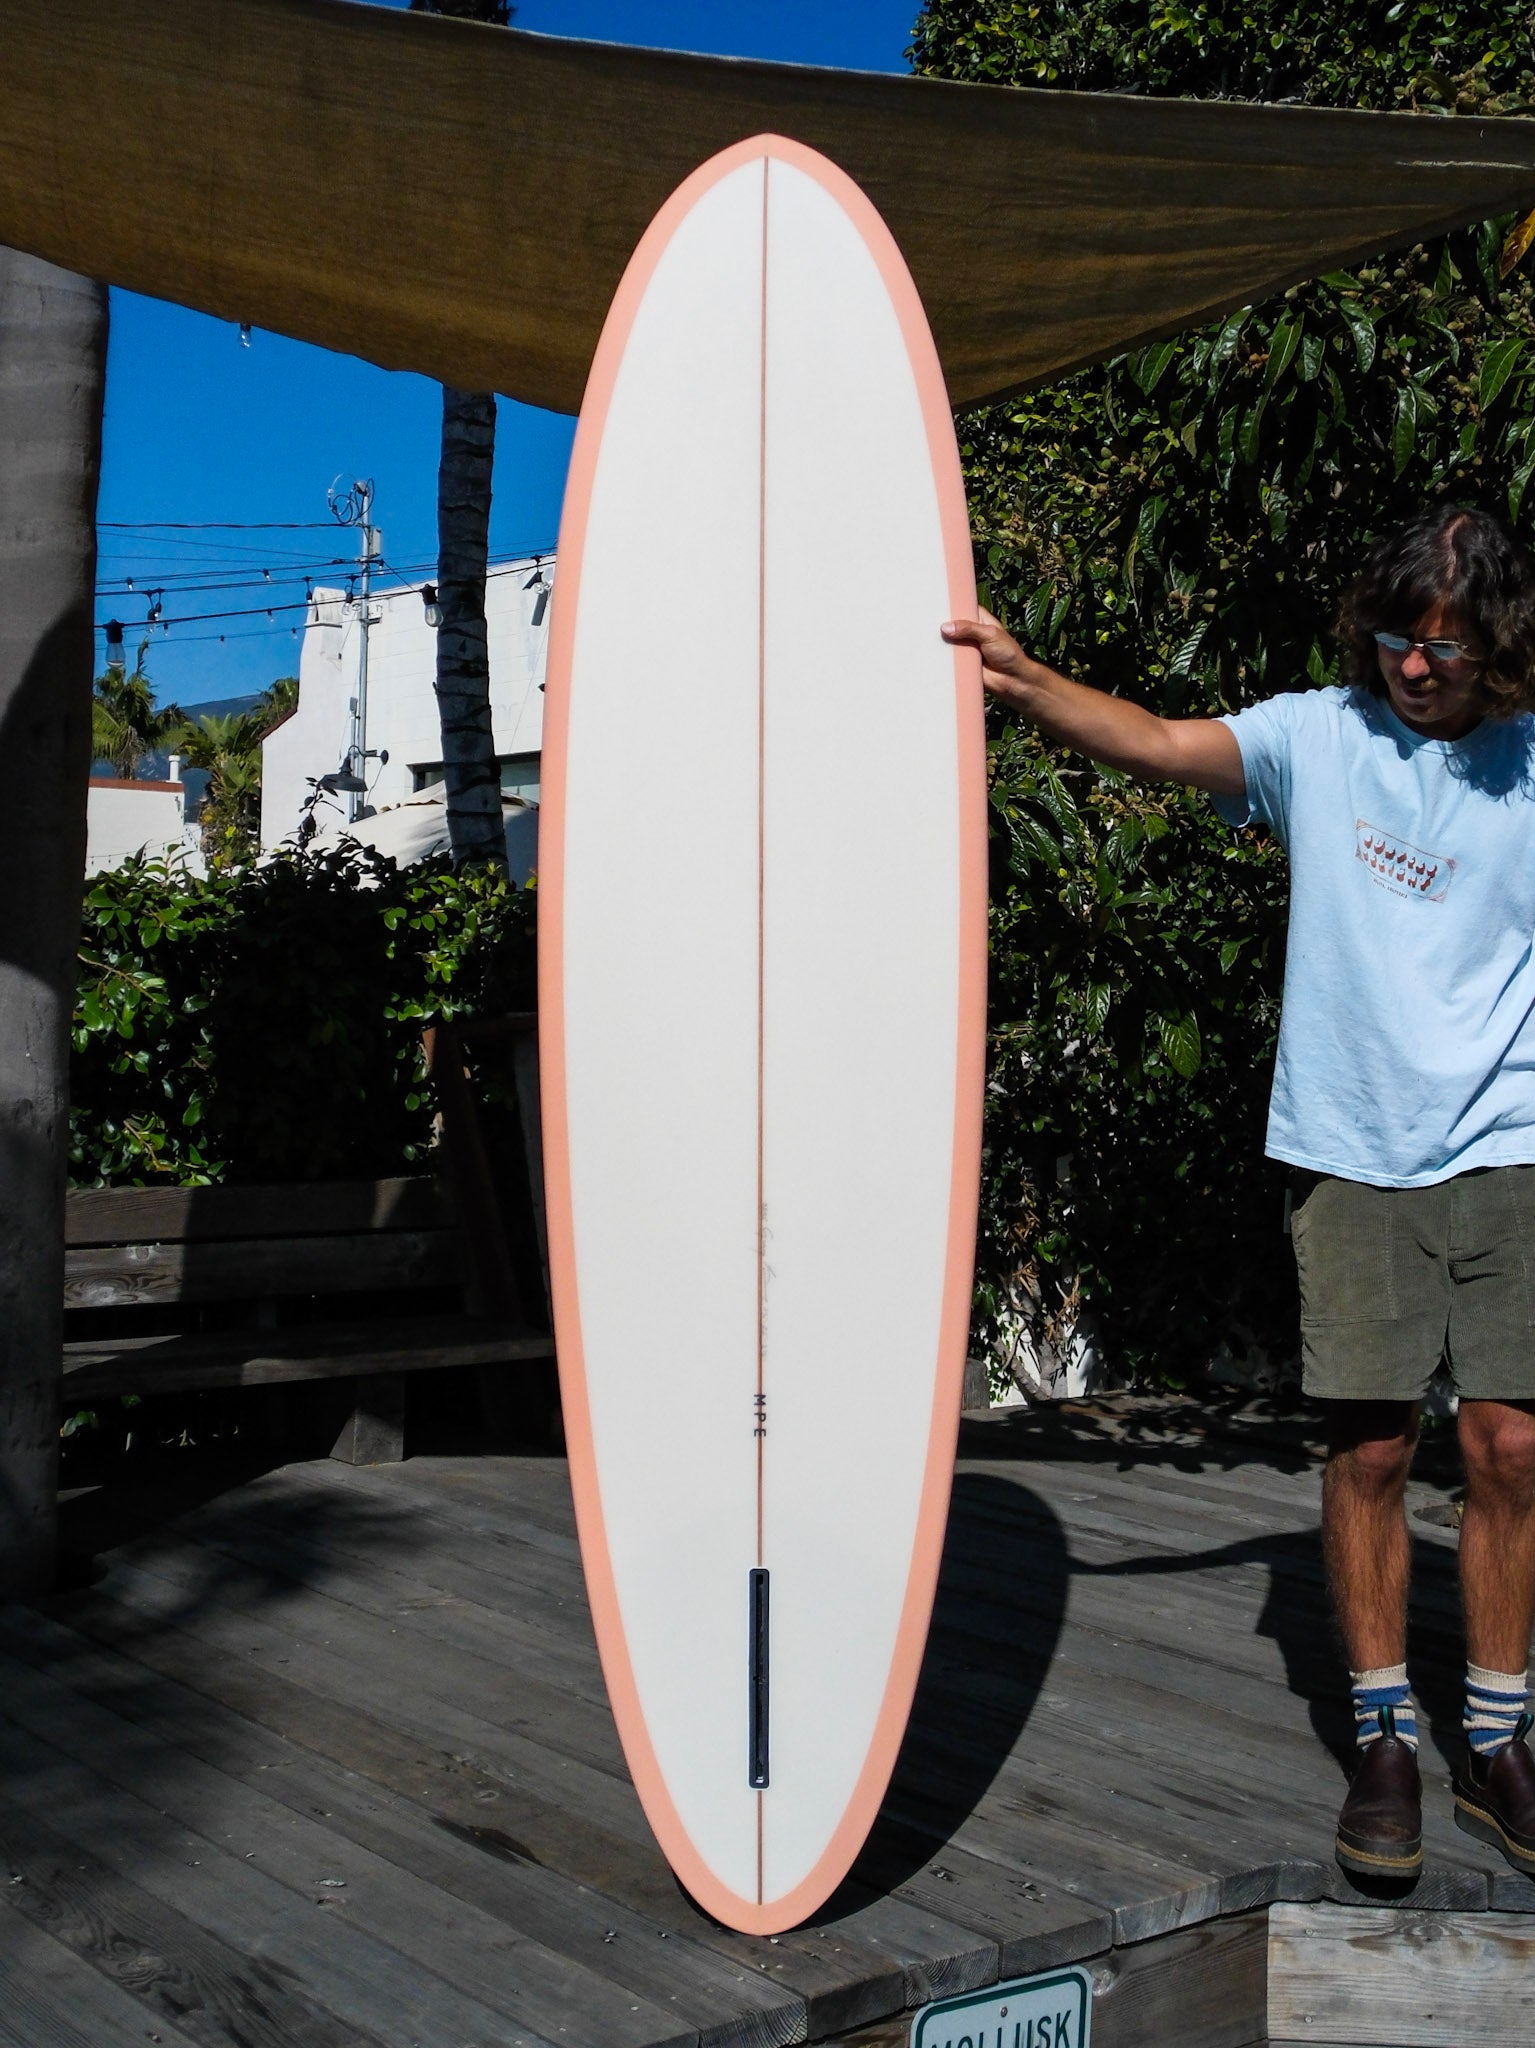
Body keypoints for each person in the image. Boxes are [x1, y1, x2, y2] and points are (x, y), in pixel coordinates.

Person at [943, 502, 1535, 1883]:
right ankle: (1383, 1735)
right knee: (1372, 1446)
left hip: (1513, 1138)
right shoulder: (1314, 737)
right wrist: (1025, 682)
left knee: (1513, 1447)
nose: (1415, 666)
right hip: (1353, 1144)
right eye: (1396, 638)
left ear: (1498, 645)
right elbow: (1157, 742)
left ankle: (1502, 1740)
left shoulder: (1529, 765)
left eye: (1446, 646)